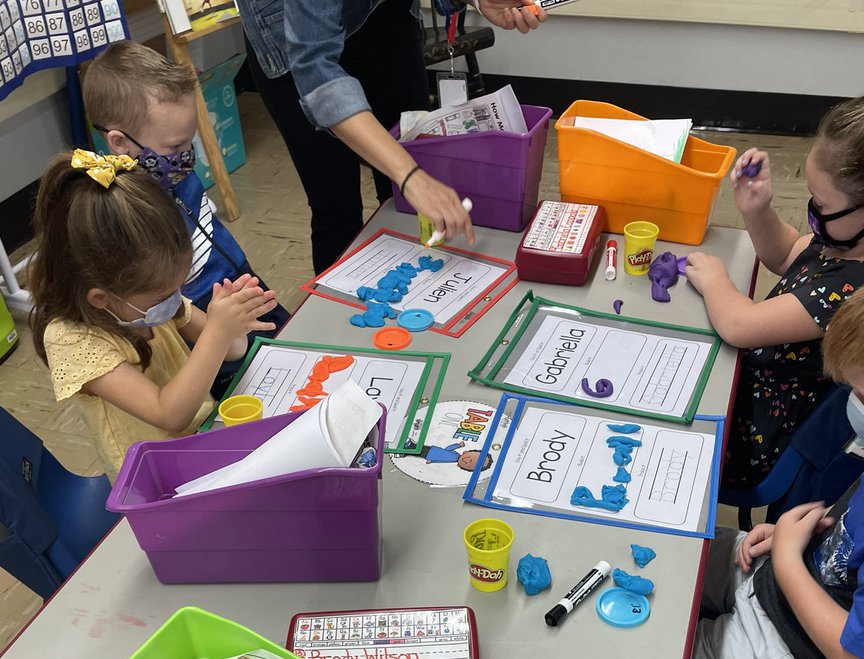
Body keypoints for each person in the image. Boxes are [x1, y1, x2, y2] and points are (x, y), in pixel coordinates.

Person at [681, 265, 864, 659]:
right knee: (675, 548)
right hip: (785, 579)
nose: (856, 408)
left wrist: (785, 560)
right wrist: (791, 536)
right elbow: (862, 531)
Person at [685, 88, 864, 489]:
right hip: (740, 385)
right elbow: (785, 254)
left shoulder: (861, 290)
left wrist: (717, 280)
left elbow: (739, 326)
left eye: (819, 202)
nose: (812, 211)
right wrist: (758, 209)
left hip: (754, 435)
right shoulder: (850, 240)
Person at [238, 0, 546, 273]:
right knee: (336, 206)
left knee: (406, 202)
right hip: (292, 38)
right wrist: (410, 174)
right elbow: (315, 68)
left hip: (386, 16)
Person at [30, 151, 277, 481]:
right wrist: (217, 332)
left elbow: (234, 351)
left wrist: (232, 319)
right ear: (100, 298)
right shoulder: (71, 340)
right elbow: (169, 414)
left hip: (202, 443)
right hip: (155, 478)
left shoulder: (149, 301)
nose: (174, 300)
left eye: (178, 287)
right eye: (164, 295)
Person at [81, 41, 291, 393]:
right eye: (175, 147)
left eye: (188, 142)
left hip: (239, 278)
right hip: (197, 310)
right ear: (119, 142)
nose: (186, 156)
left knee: (286, 347)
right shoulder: (123, 208)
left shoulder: (169, 167)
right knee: (246, 387)